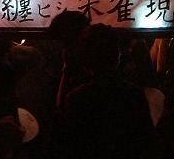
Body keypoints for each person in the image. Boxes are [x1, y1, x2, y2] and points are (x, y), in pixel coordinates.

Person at [58, 24, 161, 158]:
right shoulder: (133, 94)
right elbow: (147, 142)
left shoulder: (77, 98)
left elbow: (69, 144)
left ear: (85, 60)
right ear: (117, 55)